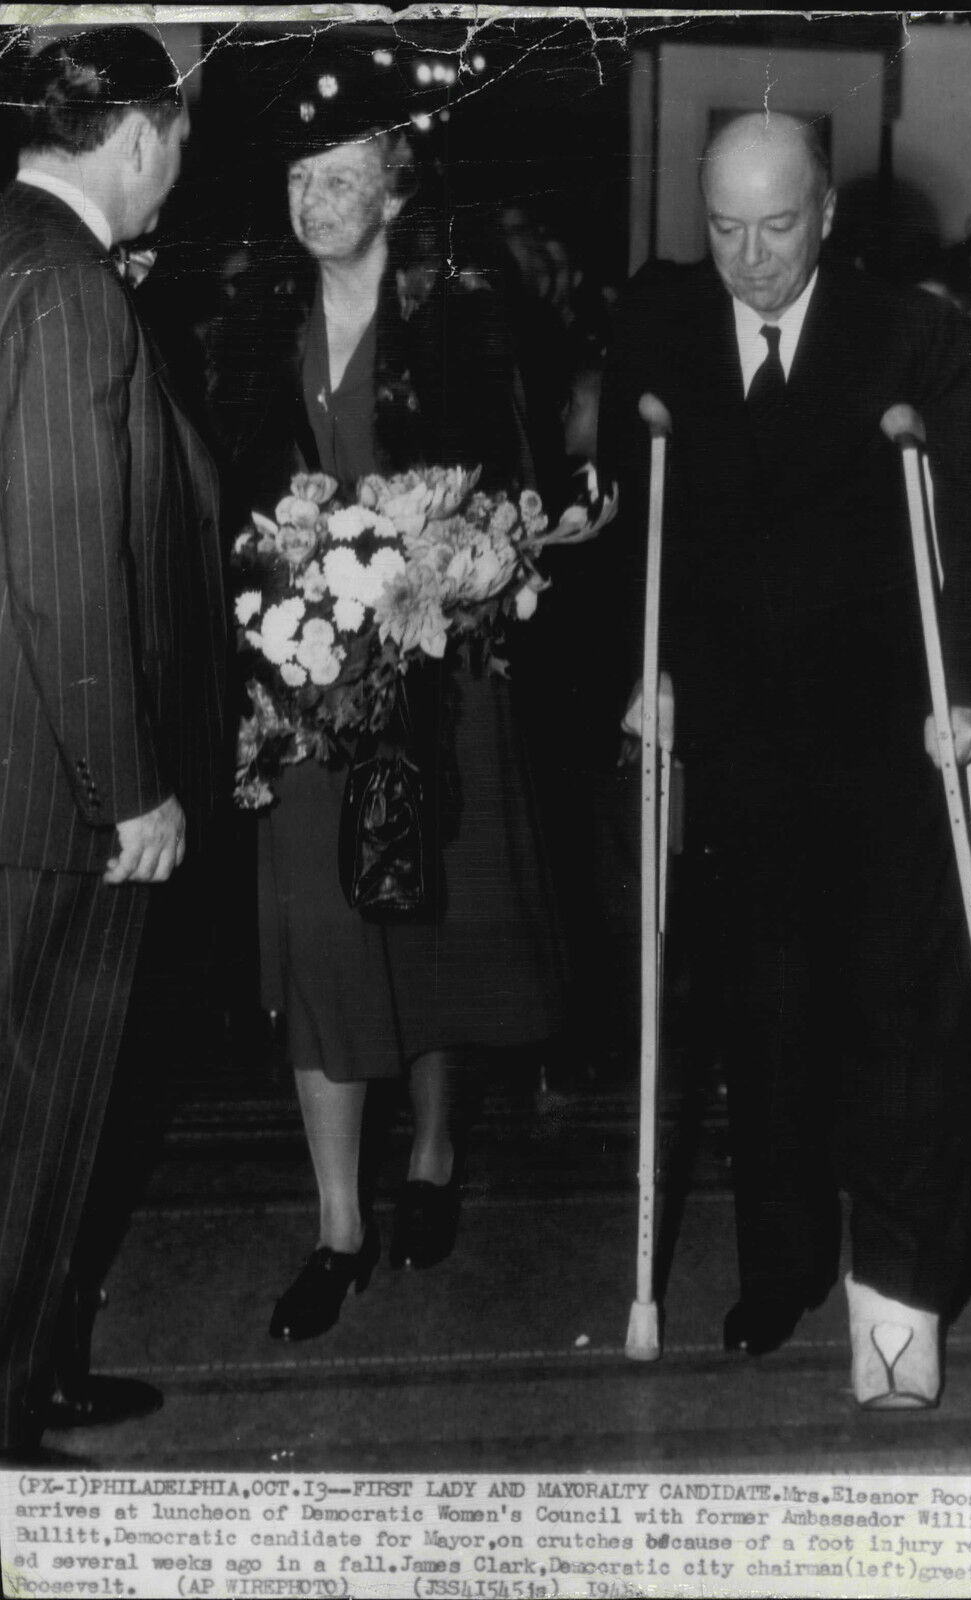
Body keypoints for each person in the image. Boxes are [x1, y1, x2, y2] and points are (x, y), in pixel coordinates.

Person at [601, 113, 971, 1408]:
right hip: (737, 747)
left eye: (774, 226)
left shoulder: (915, 338)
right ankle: (777, 1265)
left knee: (898, 1031)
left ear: (825, 213)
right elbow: (634, 540)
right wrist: (643, 674)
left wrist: (966, 692)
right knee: (763, 1024)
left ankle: (897, 1307)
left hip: (890, 742)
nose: (748, 256)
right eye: (721, 227)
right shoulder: (663, 342)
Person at [207, 56, 562, 1342]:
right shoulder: (254, 323)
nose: (315, 197)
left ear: (396, 189)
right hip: (301, 685)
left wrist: (433, 570)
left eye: (341, 173)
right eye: (301, 176)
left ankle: (431, 1154)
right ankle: (337, 1224)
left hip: (433, 672)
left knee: (428, 924)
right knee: (319, 941)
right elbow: (225, 502)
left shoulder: (458, 311)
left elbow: (512, 498)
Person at [0, 27, 226, 1459]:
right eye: (183, 139)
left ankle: (34, 1363)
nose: (180, 168)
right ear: (138, 137)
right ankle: (11, 1417)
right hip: (51, 797)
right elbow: (63, 559)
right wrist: (128, 787)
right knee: (36, 1128)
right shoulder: (71, 289)